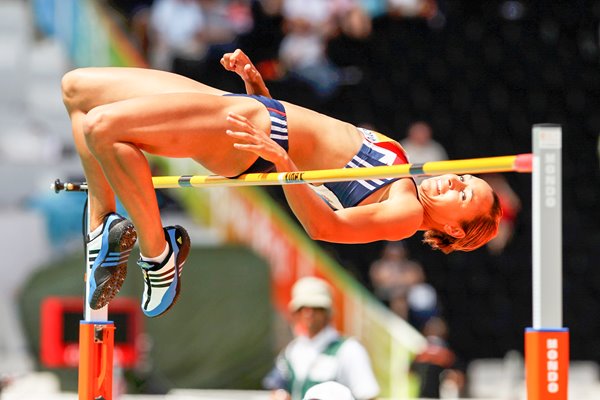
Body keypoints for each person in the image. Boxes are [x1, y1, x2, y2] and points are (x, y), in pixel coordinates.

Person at [60, 48, 502, 317]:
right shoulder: (403, 168)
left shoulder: (406, 212)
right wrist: (258, 89)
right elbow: (316, 143)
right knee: (77, 90)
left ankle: (159, 257)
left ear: (455, 230)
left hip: (248, 136)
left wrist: (282, 161)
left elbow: (326, 227)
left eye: (464, 195)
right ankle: (102, 226)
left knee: (103, 128)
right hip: (252, 114)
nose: (454, 182)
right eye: (464, 178)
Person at [262, 277, 379, 400]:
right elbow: (277, 385)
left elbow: (368, 395)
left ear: (327, 312)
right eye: (303, 308)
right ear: (296, 312)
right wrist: (280, 394)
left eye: (316, 308)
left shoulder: (349, 350)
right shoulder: (292, 351)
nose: (308, 313)